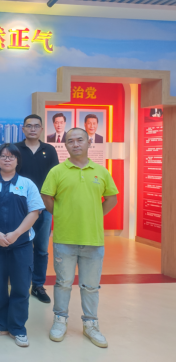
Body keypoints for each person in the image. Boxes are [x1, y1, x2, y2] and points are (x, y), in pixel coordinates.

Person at [41, 128, 118, 348]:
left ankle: (91, 324)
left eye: (80, 140)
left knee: (91, 286)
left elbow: (111, 198)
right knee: (63, 283)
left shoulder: (101, 171)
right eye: (70, 141)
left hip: (93, 238)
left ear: (89, 142)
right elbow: (46, 197)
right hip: (64, 238)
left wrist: (95, 215)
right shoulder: (57, 171)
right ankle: (60, 320)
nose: (75, 144)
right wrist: (62, 215)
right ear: (65, 145)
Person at [0, 143, 44, 348]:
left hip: (21, 245)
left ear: (17, 160)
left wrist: (16, 234)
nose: (7, 159)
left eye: (11, 156)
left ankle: (17, 327)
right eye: (3, 156)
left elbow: (35, 211)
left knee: (21, 287)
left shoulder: (27, 184)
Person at [15, 114, 59, 304]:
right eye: (29, 126)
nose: (32, 129)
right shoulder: (15, 149)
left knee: (41, 248)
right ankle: (20, 284)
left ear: (41, 129)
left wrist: (44, 202)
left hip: (43, 206)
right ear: (23, 129)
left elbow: (55, 178)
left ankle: (38, 285)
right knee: (20, 246)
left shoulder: (49, 150)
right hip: (19, 207)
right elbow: (10, 175)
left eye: (36, 126)